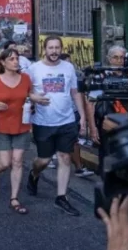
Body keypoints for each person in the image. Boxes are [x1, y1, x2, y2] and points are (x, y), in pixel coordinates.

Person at [25, 36, 87, 216]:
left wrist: (82, 116)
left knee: (64, 157)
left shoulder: (68, 67)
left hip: (66, 121)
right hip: (43, 122)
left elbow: (75, 93)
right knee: (43, 160)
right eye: (50, 48)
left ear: (61, 49)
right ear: (44, 49)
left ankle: (61, 197)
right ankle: (34, 174)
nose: (54, 51)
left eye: (57, 48)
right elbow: (25, 90)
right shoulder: (34, 68)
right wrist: (34, 97)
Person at [0, 48, 44, 214]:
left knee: (17, 161)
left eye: (17, 58)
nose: (15, 62)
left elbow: (29, 94)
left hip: (21, 124)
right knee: (4, 163)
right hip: (1, 126)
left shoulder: (25, 78)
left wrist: (36, 98)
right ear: (3, 62)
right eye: (11, 59)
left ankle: (14, 198)